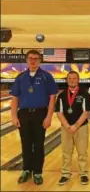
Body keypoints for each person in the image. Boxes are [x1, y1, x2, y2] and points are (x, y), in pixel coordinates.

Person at [10, 49, 58, 185]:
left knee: (38, 144)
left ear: (40, 61)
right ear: (26, 60)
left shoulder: (46, 76)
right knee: (25, 144)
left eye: (36, 58)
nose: (33, 60)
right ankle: (26, 170)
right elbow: (14, 98)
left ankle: (37, 172)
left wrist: (49, 117)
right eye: (30, 58)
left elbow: (52, 97)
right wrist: (13, 116)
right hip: (24, 114)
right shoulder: (20, 77)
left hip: (40, 114)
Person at [55, 71, 90, 185]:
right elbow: (59, 113)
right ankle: (65, 174)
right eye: (70, 78)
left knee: (82, 152)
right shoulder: (61, 95)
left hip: (81, 127)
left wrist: (76, 126)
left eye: (74, 78)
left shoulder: (84, 94)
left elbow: (86, 112)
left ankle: (84, 174)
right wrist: (67, 126)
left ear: (78, 80)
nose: (72, 80)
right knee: (66, 152)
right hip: (66, 128)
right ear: (67, 80)